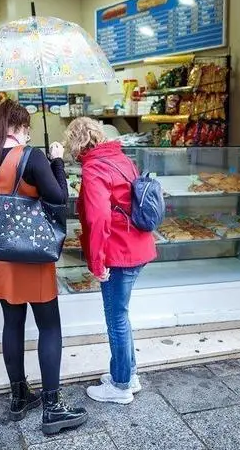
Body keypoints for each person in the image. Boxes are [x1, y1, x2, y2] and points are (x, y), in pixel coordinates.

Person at [0, 99, 87, 435]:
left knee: (12, 323)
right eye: (27, 128)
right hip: (32, 255)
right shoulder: (31, 156)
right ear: (22, 126)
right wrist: (57, 161)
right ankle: (52, 408)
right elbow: (59, 199)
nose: (27, 134)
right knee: (49, 326)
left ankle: (19, 396)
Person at [64, 117, 157, 405]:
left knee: (116, 319)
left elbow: (98, 218)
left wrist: (97, 262)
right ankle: (128, 374)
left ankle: (120, 386)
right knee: (122, 316)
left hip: (119, 251)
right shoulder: (121, 158)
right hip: (138, 245)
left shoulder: (94, 168)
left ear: (77, 144)